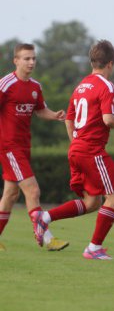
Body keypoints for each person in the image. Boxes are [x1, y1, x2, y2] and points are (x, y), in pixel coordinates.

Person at [33, 40, 114, 260]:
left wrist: (76, 142)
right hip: (92, 150)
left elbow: (69, 119)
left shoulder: (81, 86)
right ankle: (94, 248)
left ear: (92, 61)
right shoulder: (107, 85)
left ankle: (44, 217)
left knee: (92, 202)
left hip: (76, 148)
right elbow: (107, 119)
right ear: (110, 63)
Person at [0, 43, 68, 251]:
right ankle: (47, 237)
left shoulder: (35, 87)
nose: (31, 62)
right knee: (33, 190)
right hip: (9, 147)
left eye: (33, 58)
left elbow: (40, 111)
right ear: (16, 61)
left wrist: (55, 115)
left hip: (24, 146)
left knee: (11, 194)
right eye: (26, 58)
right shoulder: (6, 84)